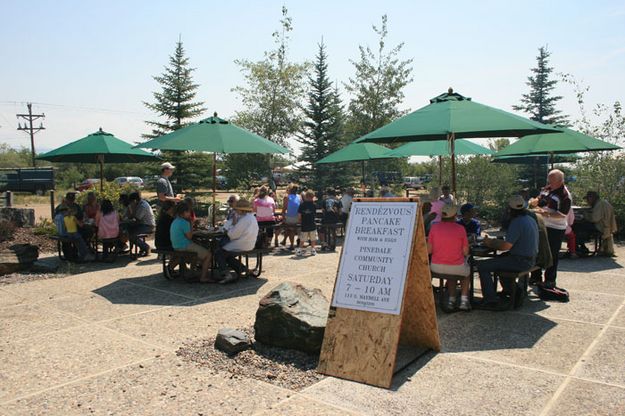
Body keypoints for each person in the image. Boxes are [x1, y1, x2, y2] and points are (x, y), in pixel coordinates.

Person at [477, 195, 539, 311]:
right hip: (531, 258)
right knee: (499, 261)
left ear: (510, 209)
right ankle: (514, 291)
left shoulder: (517, 222)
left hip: (521, 260)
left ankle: (490, 300)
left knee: (483, 266)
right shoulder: (530, 219)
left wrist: (490, 243)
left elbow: (506, 246)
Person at [532, 169, 571, 288]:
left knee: (552, 254)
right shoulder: (547, 189)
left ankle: (550, 280)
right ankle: (535, 277)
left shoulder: (565, 195)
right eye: (549, 179)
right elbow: (540, 199)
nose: (550, 182)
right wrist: (535, 202)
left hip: (555, 227)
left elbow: (563, 214)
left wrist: (546, 214)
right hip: (541, 224)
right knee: (536, 250)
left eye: (552, 180)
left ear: (560, 181)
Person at [428, 204, 471, 312]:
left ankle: (452, 299)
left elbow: (429, 250)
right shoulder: (460, 229)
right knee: (466, 273)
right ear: (455, 215)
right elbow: (465, 252)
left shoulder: (434, 227)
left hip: (435, 266)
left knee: (451, 274)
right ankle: (464, 300)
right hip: (456, 266)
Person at [214, 199, 259, 283]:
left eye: (236, 209)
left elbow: (233, 235)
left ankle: (226, 274)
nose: (235, 210)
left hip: (242, 243)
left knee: (219, 252)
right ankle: (244, 269)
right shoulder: (251, 217)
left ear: (241, 209)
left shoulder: (244, 219)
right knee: (227, 255)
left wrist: (231, 226)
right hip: (249, 243)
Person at [170, 203, 213, 283]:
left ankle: (192, 272)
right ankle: (203, 277)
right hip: (184, 246)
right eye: (189, 212)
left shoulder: (175, 220)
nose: (190, 214)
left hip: (176, 246)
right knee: (208, 255)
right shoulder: (184, 222)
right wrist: (191, 224)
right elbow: (189, 237)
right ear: (184, 212)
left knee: (197, 249)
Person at [574, 191, 618, 256]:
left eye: (588, 199)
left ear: (592, 198)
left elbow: (594, 219)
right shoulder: (601, 203)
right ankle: (581, 246)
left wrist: (584, 214)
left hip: (600, 227)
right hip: (604, 226)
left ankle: (579, 247)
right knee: (580, 226)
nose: (587, 201)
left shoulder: (599, 204)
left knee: (577, 226)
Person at [127, 191, 155, 256]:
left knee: (132, 236)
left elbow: (137, 219)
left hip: (148, 226)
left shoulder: (142, 206)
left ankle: (146, 247)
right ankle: (142, 248)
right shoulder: (138, 204)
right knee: (129, 231)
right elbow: (132, 216)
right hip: (142, 224)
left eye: (131, 202)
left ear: (134, 200)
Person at [297, 190, 318, 256]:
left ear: (306, 196)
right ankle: (313, 249)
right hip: (312, 223)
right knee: (313, 238)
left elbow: (299, 214)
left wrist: (300, 220)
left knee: (302, 238)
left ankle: (300, 250)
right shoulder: (314, 205)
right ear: (312, 197)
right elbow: (314, 214)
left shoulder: (302, 205)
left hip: (304, 223)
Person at [281, 184, 301, 250]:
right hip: (298, 217)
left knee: (290, 229)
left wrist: (283, 217)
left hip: (290, 217)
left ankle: (291, 244)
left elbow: (284, 209)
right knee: (290, 228)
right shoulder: (299, 197)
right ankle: (285, 241)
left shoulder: (287, 197)